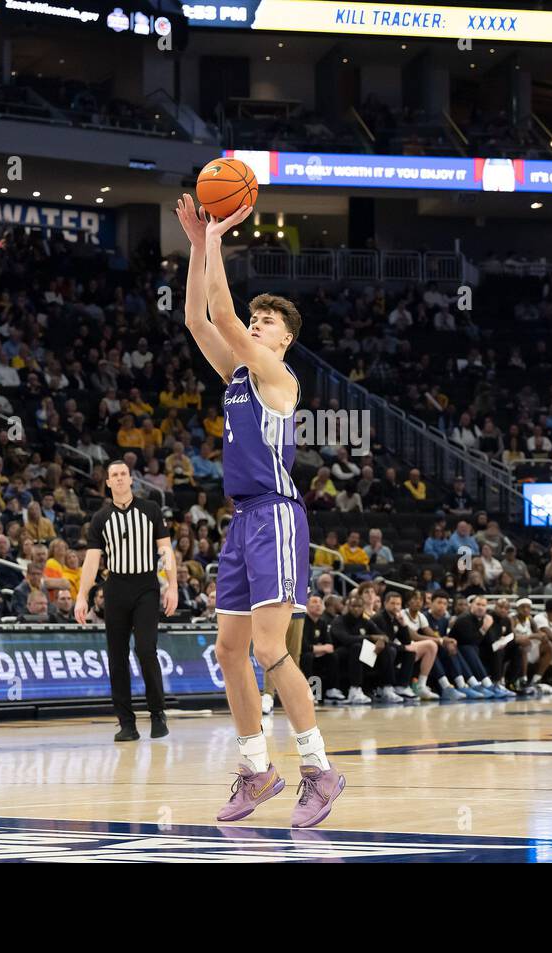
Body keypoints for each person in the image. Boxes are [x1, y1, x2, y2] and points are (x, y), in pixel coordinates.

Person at [175, 192, 341, 827]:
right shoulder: (237, 376)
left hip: (276, 514)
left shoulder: (277, 377)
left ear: (285, 340)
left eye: (266, 321)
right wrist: (197, 246)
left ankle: (319, 769)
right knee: (227, 650)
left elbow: (221, 309)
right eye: (256, 318)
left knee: (271, 650)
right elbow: (198, 318)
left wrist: (215, 234)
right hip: (243, 519)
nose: (254, 323)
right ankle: (256, 769)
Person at [75, 460, 177, 742]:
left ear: (131, 479)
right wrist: (81, 596)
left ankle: (158, 713)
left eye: (123, 474)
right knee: (116, 657)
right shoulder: (100, 518)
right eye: (114, 476)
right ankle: (126, 723)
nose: (119, 479)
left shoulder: (151, 510)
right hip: (115, 588)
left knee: (146, 650)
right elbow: (92, 561)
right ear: (107, 483)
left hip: (146, 586)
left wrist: (172, 587)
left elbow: (166, 551)